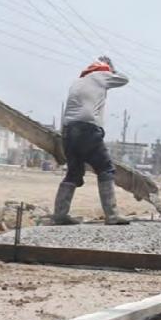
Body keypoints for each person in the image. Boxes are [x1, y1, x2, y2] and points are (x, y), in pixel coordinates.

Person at [51, 56, 131, 226]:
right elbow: (124, 79)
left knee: (73, 173)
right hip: (87, 130)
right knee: (106, 168)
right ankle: (112, 215)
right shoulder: (101, 76)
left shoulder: (77, 82)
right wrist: (112, 69)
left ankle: (59, 215)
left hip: (68, 131)